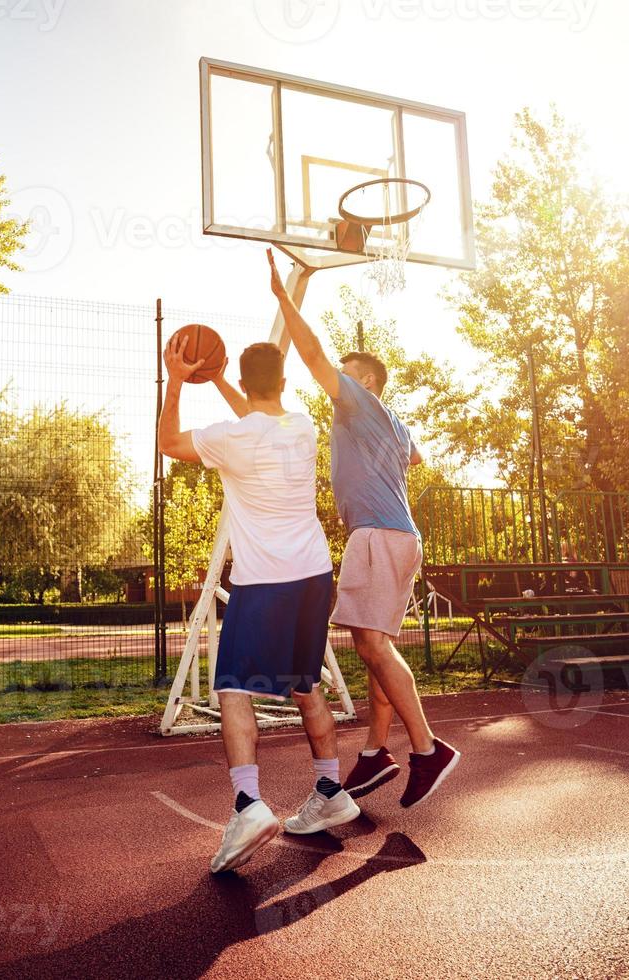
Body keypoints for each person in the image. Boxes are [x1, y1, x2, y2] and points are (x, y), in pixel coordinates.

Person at [158, 332, 361, 874]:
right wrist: (221, 377)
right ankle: (331, 789)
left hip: (265, 581)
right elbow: (258, 418)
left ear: (246, 384)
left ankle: (248, 805)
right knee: (305, 683)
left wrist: (179, 379)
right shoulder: (301, 426)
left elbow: (168, 442)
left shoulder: (233, 437)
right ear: (285, 384)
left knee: (231, 687)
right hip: (315, 574)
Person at [266, 249, 461, 810]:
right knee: (379, 646)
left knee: (372, 645)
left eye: (348, 376)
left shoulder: (360, 403)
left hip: (377, 534)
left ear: (367, 382)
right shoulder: (393, 424)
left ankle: (427, 750)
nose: (337, 383)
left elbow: (311, 354)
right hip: (399, 536)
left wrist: (285, 299)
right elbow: (417, 458)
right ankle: (377, 750)